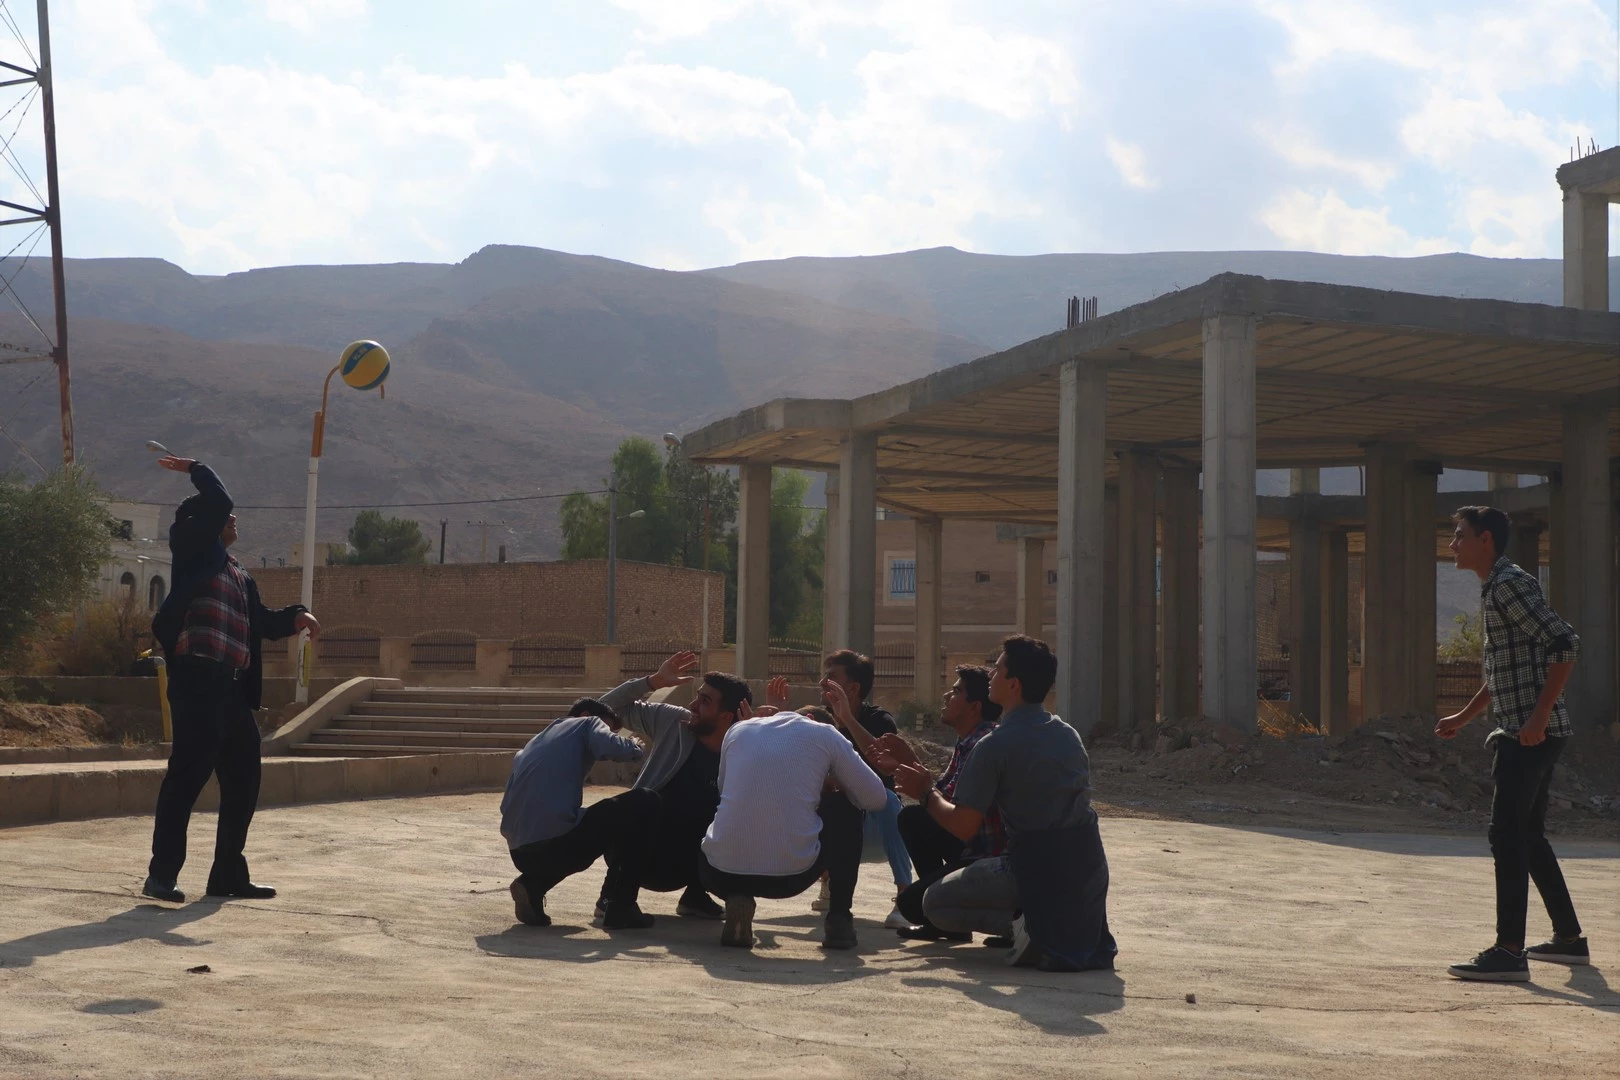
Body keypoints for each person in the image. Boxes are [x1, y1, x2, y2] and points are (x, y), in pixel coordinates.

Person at [144, 457, 319, 904]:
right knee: (187, 777)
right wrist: (196, 468)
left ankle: (227, 876)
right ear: (202, 522)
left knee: (243, 781)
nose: (233, 519)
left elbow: (262, 621)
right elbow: (221, 500)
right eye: (224, 518)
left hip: (233, 689)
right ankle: (161, 875)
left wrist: (296, 617)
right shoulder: (193, 550)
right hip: (198, 681)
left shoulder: (238, 573)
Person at [891, 635, 1117, 972]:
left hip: (1031, 868)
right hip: (1088, 871)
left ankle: (1025, 927)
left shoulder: (994, 745)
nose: (990, 675)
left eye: (996, 669)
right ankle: (1043, 924)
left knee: (932, 904)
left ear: (1013, 684)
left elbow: (963, 826)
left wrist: (925, 792)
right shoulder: (1067, 734)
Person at [1437, 506, 1588, 982]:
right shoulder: (1497, 586)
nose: (1452, 544)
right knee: (1527, 835)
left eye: (1459, 535)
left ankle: (1508, 951)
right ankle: (1569, 940)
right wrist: (1463, 717)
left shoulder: (1508, 584)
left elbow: (1564, 643)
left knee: (1506, 833)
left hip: (1530, 734)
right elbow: (1506, 667)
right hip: (1527, 729)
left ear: (1485, 540)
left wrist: (1538, 715)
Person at [698, 708, 889, 950]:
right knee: (844, 806)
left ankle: (738, 897)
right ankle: (839, 919)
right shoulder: (825, 733)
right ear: (811, 720)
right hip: (788, 879)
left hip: (718, 874)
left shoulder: (738, 729)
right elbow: (875, 798)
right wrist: (832, 780)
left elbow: (723, 789)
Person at [592, 653, 752, 921]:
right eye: (697, 697)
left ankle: (695, 897)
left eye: (705, 702)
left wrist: (758, 735)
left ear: (726, 716)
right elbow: (601, 711)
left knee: (733, 816)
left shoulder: (741, 749)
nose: (693, 705)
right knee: (645, 802)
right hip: (636, 854)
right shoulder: (674, 722)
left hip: (687, 865)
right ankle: (613, 896)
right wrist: (652, 682)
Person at [501, 698, 658, 930]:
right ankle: (621, 904)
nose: (607, 732)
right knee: (645, 801)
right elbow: (611, 746)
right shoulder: (587, 723)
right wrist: (635, 746)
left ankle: (532, 886)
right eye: (608, 728)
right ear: (585, 714)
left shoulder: (538, 740)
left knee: (577, 823)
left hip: (521, 852)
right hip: (553, 845)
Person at [893, 665, 1004, 943]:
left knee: (911, 905)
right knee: (914, 818)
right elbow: (939, 797)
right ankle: (945, 921)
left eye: (956, 691)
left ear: (974, 707)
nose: (946, 696)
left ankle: (1012, 921)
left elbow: (951, 809)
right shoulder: (967, 740)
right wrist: (905, 764)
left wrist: (922, 787)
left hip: (989, 857)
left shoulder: (983, 743)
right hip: (971, 844)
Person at [821, 649, 912, 928]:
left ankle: (905, 898)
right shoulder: (820, 720)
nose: (823, 683)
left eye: (831, 677)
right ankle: (828, 882)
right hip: (833, 829)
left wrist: (847, 720)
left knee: (888, 800)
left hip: (872, 830)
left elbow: (884, 765)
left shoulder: (880, 721)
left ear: (853, 688)